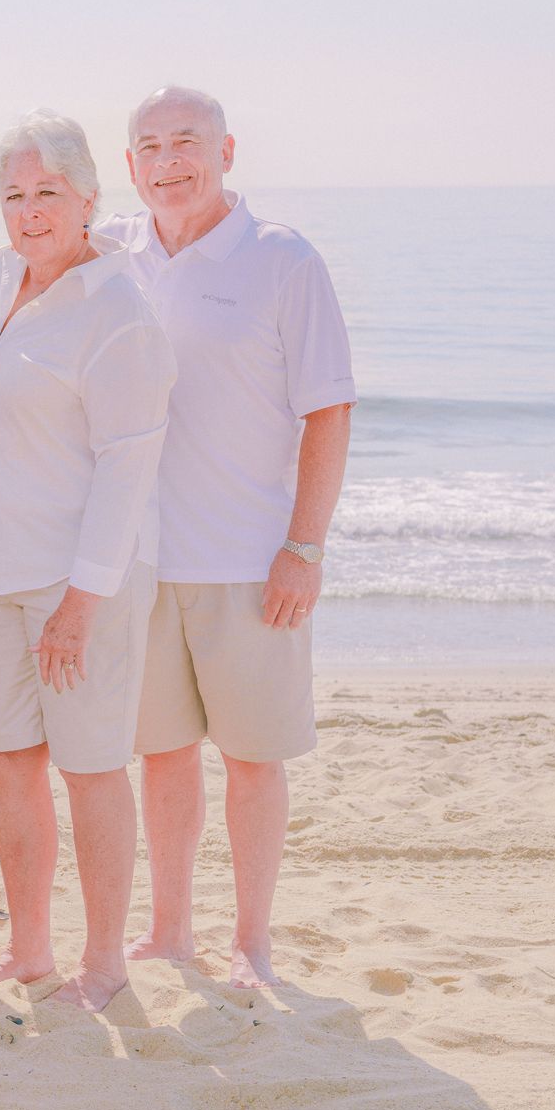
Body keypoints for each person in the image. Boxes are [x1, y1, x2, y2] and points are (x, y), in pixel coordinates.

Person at [100, 87, 355, 989]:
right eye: (150, 146)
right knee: (161, 755)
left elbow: (329, 410)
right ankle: (169, 929)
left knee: (254, 759)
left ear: (227, 151)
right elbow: (15, 252)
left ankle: (251, 939)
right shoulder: (113, 249)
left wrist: (306, 546)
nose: (169, 161)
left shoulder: (282, 258)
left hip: (251, 560)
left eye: (187, 143)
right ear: (129, 163)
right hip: (141, 558)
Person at [0, 111, 176, 1011]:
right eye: (14, 195)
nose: (30, 211)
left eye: (48, 194)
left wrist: (82, 600)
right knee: (8, 761)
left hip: (79, 583)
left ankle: (105, 959)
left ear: (87, 198)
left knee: (91, 766)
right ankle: (29, 943)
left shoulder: (118, 312)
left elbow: (128, 468)